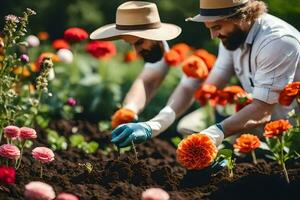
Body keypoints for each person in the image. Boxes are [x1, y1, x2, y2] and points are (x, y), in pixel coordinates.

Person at [107, 0, 300, 148]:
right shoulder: (232, 38)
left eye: (217, 27)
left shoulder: (277, 42)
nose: (213, 36)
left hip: (292, 132)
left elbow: (262, 110)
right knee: (188, 128)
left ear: (244, 16)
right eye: (210, 28)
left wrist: (214, 133)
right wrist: (154, 125)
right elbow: (207, 88)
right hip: (267, 124)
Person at [91, 1, 203, 147]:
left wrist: (152, 126)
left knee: (188, 129)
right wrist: (129, 109)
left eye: (139, 43)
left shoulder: (192, 47)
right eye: (131, 44)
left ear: (154, 34)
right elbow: (147, 81)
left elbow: (188, 90)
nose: (136, 52)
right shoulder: (159, 46)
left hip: (224, 110)